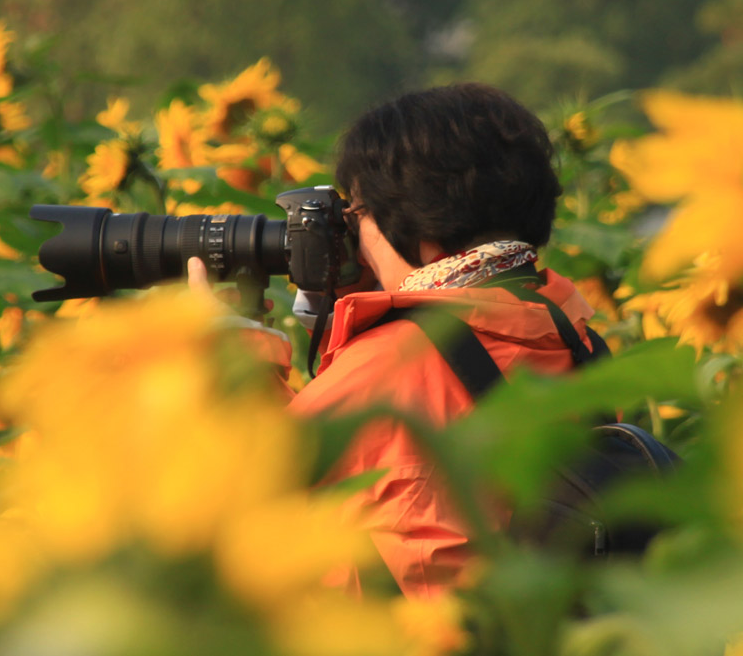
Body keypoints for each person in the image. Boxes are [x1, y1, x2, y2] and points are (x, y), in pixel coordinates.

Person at [188, 82, 600, 599]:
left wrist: (229, 350)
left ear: (426, 231)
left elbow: (244, 496)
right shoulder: (571, 330)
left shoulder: (391, 365)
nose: (352, 236)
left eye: (358, 215)